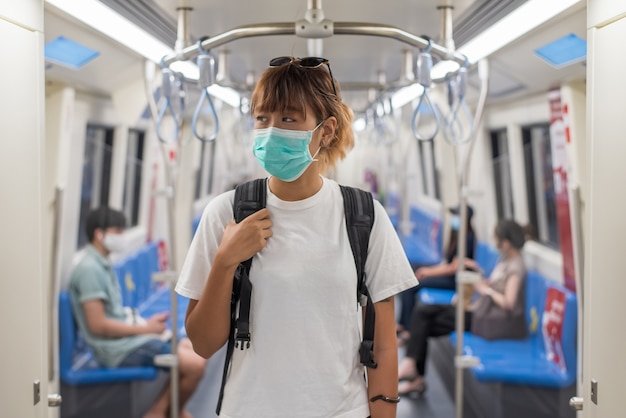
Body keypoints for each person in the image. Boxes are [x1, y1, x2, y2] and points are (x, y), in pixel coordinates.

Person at [175, 56, 417, 418]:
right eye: (263, 118)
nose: (272, 131)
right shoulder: (226, 214)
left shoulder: (364, 217)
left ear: (326, 130)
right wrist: (225, 261)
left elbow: (383, 346)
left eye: (288, 118)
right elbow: (203, 344)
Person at [68, 207, 206, 418]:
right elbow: (98, 325)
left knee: (193, 349)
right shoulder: (89, 270)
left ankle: (169, 410)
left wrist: (145, 325)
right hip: (116, 349)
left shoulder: (101, 263)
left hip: (125, 339)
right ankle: (158, 412)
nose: (122, 237)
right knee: (195, 365)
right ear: (99, 234)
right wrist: (145, 330)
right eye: (117, 231)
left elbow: (113, 314)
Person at [397, 219, 527, 396]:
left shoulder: (516, 268)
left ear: (505, 243)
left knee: (424, 318)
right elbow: (496, 285)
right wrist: (477, 272)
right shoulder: (505, 259)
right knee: (424, 317)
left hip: (491, 320)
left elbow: (509, 304)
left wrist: (485, 289)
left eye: (496, 239)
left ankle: (414, 372)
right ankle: (414, 372)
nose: (494, 242)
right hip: (482, 311)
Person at [396, 204, 476, 343]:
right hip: (449, 275)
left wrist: (429, 272)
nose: (454, 219)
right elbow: (447, 262)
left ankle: (408, 331)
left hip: (455, 281)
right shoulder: (456, 235)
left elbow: (454, 267)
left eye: (457, 215)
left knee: (412, 285)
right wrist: (427, 271)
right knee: (412, 275)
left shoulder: (467, 238)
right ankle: (403, 324)